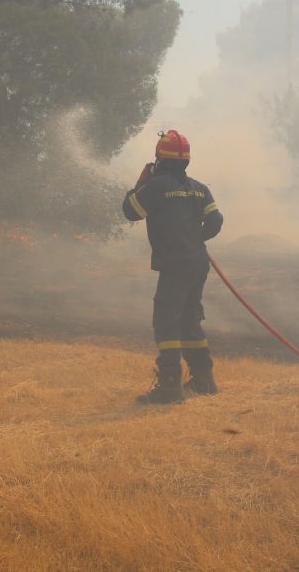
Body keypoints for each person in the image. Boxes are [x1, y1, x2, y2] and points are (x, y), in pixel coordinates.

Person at [122, 130, 223, 404]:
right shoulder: (199, 188)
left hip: (174, 265)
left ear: (160, 159)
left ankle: (169, 386)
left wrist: (141, 182)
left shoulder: (155, 187)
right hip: (198, 263)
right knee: (189, 317)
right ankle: (204, 379)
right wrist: (194, 238)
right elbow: (216, 221)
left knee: (166, 321)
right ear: (186, 161)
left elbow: (131, 211)